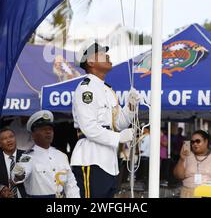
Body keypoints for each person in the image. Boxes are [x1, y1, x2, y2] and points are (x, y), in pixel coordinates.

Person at [70, 42, 140, 198]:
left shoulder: (106, 89)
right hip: (90, 158)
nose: (107, 55)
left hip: (109, 160)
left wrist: (131, 106)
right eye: (101, 53)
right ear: (90, 62)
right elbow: (89, 128)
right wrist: (119, 137)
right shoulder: (86, 88)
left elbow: (118, 123)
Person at [12, 110, 80, 198]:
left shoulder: (61, 156)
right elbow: (16, 176)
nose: (48, 132)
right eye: (43, 129)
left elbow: (71, 184)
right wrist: (19, 174)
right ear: (33, 135)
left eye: (50, 129)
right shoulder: (28, 157)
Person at [173, 130, 211, 198]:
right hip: (188, 193)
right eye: (192, 142)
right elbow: (178, 176)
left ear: (206, 142)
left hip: (210, 193)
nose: (195, 144)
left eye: (198, 141)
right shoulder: (187, 155)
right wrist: (182, 159)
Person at [0, 127, 27, 198]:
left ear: (15, 139)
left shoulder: (26, 157)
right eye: (4, 139)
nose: (9, 140)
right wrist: (2, 194)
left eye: (11, 137)